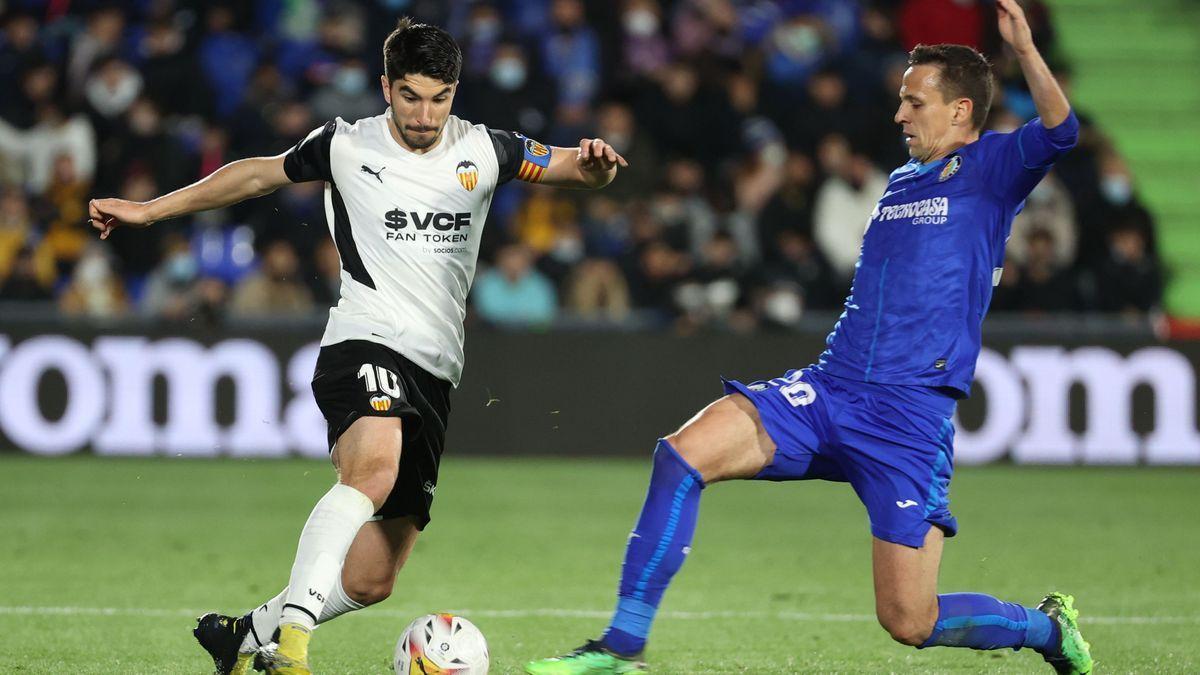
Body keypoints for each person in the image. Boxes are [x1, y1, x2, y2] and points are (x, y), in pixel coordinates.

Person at [526, 2, 1091, 674]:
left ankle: (1045, 629)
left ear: (962, 111)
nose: (899, 115)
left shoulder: (994, 170)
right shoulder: (904, 179)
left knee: (910, 619)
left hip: (907, 417)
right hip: (830, 388)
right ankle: (622, 645)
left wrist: (1025, 48)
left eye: (914, 102)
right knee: (681, 456)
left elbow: (1061, 133)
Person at [88, 18, 626, 675]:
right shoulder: (344, 144)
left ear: (456, 90)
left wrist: (596, 169)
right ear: (384, 87)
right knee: (371, 472)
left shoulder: (489, 148)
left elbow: (571, 165)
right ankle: (291, 649)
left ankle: (243, 634)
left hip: (436, 370)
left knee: (375, 576)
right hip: (363, 338)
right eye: (409, 96)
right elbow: (256, 175)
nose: (425, 115)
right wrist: (149, 210)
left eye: (440, 97)